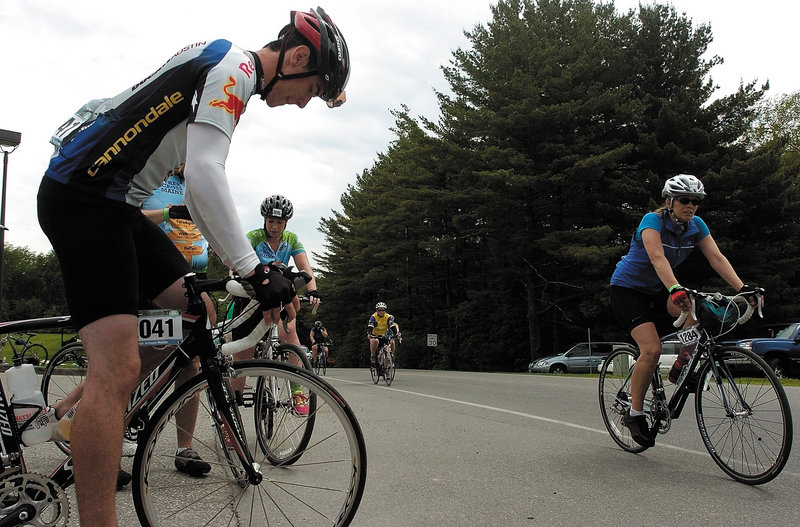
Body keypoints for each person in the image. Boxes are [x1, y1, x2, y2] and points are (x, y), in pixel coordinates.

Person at [37, 8, 349, 524]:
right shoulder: (236, 69)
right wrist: (252, 269)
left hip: (118, 204)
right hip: (86, 198)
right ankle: (98, 453)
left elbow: (202, 196)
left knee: (198, 308)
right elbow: (205, 174)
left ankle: (87, 409)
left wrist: (240, 268)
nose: (302, 103)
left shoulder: (232, 73)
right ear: (296, 58)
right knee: (115, 372)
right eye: (311, 89)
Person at [610, 174, 757, 448]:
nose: (690, 206)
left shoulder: (696, 225)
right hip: (628, 290)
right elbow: (657, 257)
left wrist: (743, 288)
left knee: (696, 314)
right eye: (684, 201)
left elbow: (716, 258)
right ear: (669, 201)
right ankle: (635, 413)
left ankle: (682, 364)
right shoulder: (652, 221)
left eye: (696, 202)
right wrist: (676, 287)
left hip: (660, 289)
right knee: (651, 350)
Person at [229, 194, 321, 415]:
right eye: (271, 221)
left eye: (279, 222)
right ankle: (231, 411)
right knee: (243, 356)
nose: (275, 226)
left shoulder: (291, 239)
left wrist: (313, 290)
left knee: (290, 336)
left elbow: (304, 267)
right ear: (264, 220)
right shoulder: (253, 236)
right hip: (252, 297)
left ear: (286, 223)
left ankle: (297, 388)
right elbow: (236, 262)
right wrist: (233, 279)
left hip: (279, 298)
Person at [367, 302, 401, 366]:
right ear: (377, 310)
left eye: (383, 310)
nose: (381, 312)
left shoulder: (388, 317)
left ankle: (390, 357)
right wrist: (369, 333)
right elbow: (370, 325)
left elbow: (392, 325)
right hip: (375, 335)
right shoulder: (373, 317)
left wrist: (396, 334)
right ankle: (373, 356)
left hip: (383, 335)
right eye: (379, 310)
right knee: (375, 341)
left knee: (391, 342)